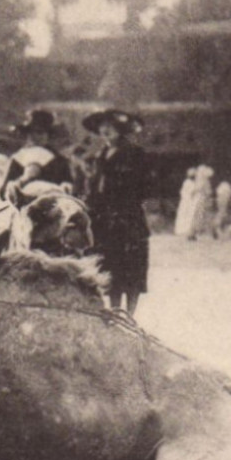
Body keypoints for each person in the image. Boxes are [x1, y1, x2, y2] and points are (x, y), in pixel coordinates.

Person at [81, 108, 150, 315]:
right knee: (110, 268)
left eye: (111, 127)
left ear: (121, 130)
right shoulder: (99, 156)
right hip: (103, 218)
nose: (106, 131)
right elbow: (93, 188)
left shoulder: (134, 153)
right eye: (103, 127)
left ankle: (128, 315)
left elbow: (144, 186)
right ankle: (114, 311)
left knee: (131, 268)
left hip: (127, 217)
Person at [173, 167, 201, 239]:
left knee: (189, 217)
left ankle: (190, 232)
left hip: (188, 202)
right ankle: (186, 232)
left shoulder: (188, 182)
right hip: (188, 202)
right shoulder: (189, 183)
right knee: (188, 216)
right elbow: (191, 192)